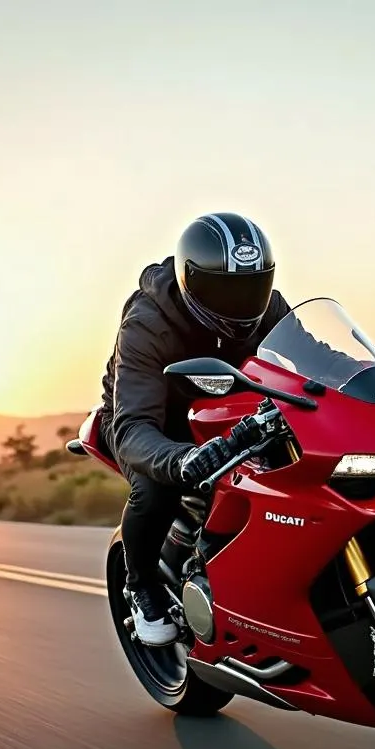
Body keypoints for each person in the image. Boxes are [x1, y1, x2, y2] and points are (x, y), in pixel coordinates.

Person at [99, 213, 291, 646]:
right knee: (154, 488)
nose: (241, 303)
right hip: (146, 416)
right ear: (191, 283)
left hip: (225, 408)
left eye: (253, 286)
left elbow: (316, 355)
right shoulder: (149, 323)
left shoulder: (270, 307)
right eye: (225, 290)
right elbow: (133, 427)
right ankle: (142, 585)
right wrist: (182, 458)